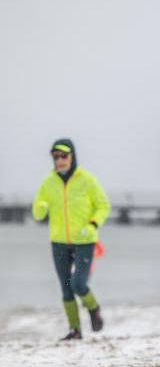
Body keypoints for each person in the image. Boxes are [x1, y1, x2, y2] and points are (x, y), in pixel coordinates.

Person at [32, 139, 111, 341]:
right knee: (66, 287)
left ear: (72, 156)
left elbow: (103, 205)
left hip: (85, 241)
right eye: (56, 157)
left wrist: (93, 224)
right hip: (59, 242)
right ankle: (75, 330)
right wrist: (40, 208)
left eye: (63, 156)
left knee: (78, 284)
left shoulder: (87, 179)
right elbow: (38, 214)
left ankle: (93, 308)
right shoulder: (48, 182)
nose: (60, 160)